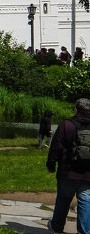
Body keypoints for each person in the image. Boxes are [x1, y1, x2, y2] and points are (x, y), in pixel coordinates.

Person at [48, 98, 90, 233]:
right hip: (88, 174)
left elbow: (56, 147)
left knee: (63, 200)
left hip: (68, 171)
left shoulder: (66, 125)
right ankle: (84, 231)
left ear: (76, 109)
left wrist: (51, 164)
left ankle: (57, 227)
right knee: (85, 202)